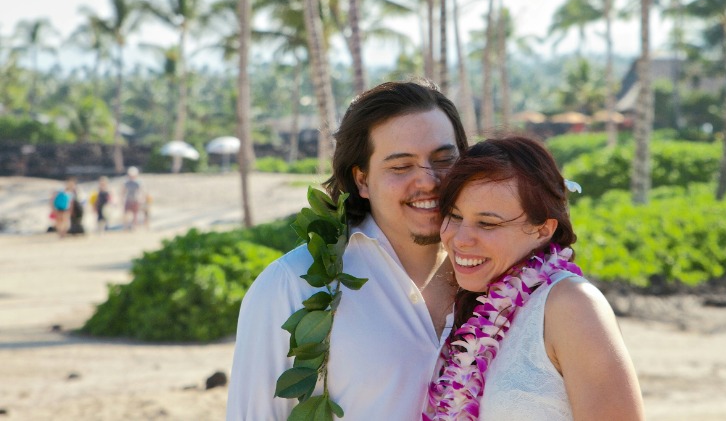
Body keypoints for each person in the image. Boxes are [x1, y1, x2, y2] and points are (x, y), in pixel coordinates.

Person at [226, 80, 469, 420]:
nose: (429, 181)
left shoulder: (501, 277)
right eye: (401, 166)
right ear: (362, 180)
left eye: (444, 159)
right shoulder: (291, 285)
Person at [424, 136, 644, 421]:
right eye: (454, 216)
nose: (461, 239)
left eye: (487, 223)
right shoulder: (463, 308)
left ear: (542, 230)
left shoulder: (573, 305)